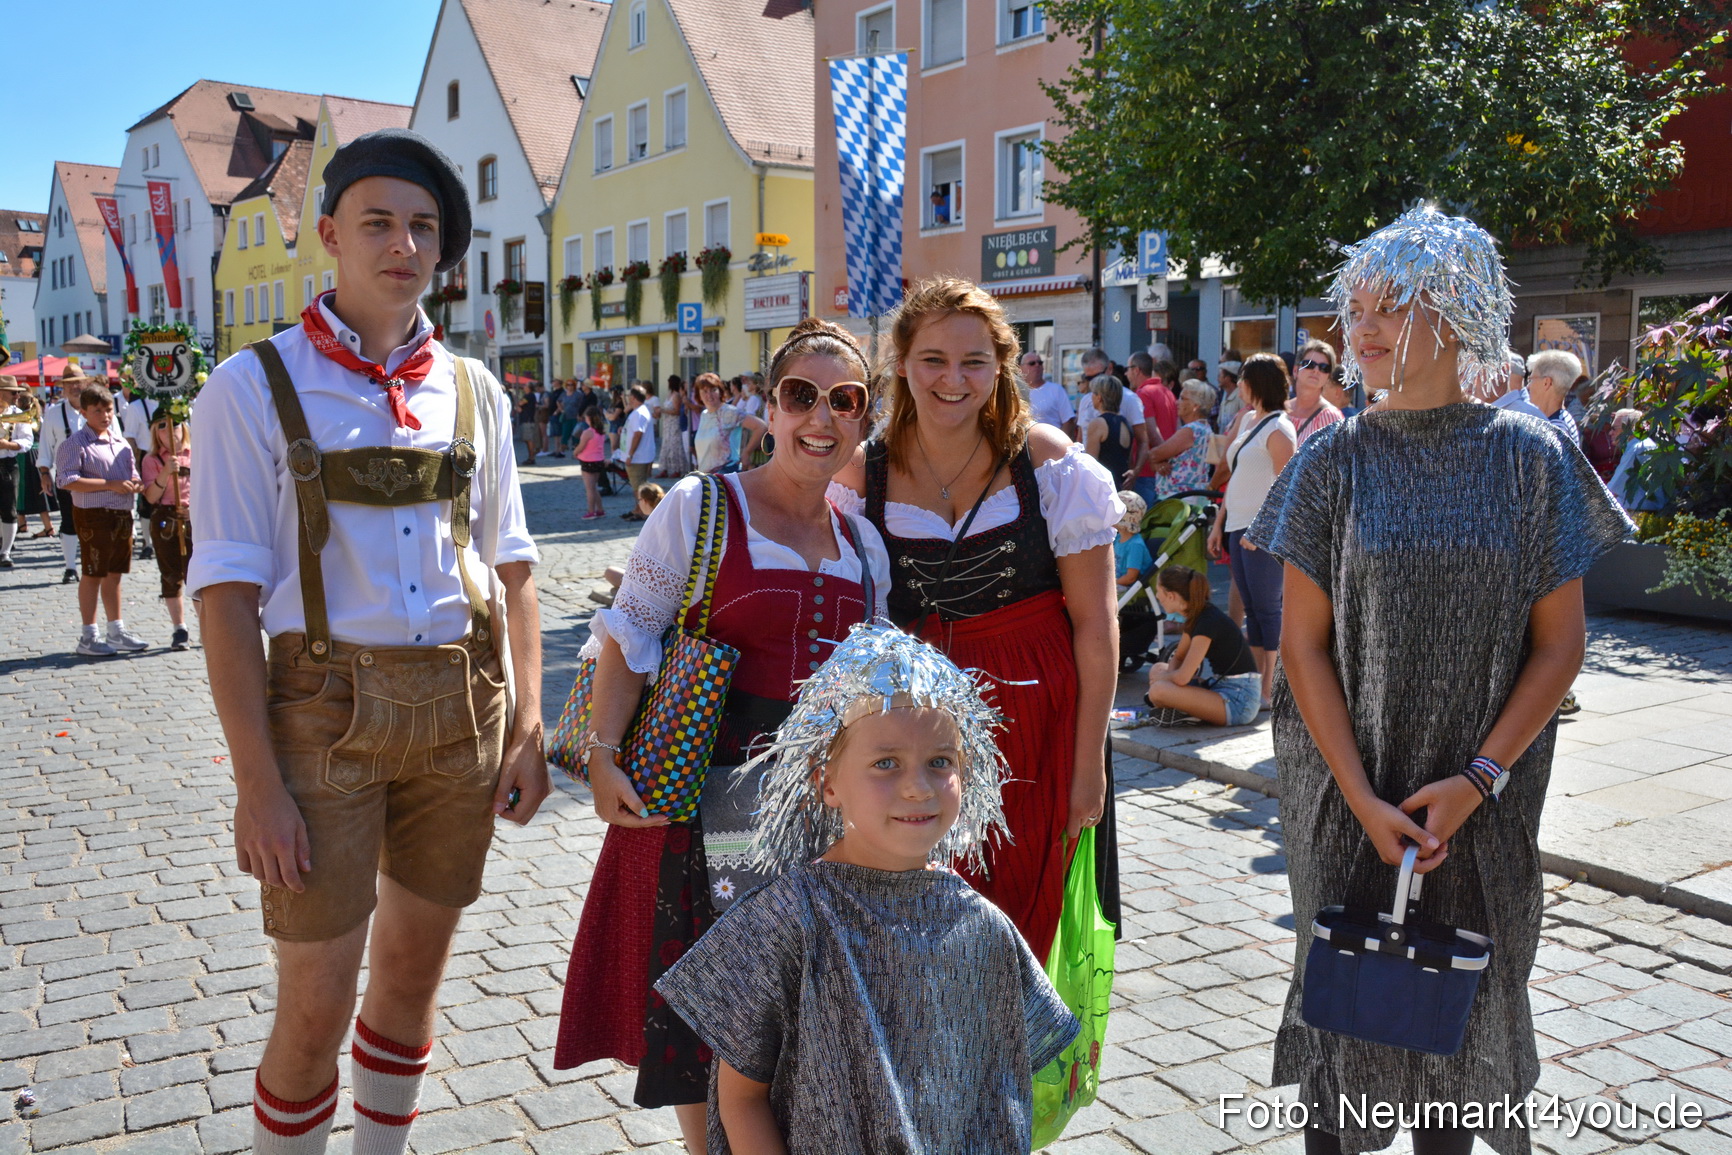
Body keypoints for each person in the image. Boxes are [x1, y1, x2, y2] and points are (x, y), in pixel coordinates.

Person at [187, 129, 548, 1155]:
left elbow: (512, 569)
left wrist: (527, 725)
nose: (404, 244)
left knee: (409, 980)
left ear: (443, 251)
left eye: (424, 227)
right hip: (319, 721)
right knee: (312, 1008)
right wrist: (256, 782)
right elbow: (222, 595)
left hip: (459, 717)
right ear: (331, 236)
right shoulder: (248, 387)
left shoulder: (476, 392)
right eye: (380, 222)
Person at [1249, 206, 1631, 1155]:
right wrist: (1361, 798)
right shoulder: (1335, 458)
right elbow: (1303, 648)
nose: (1361, 330)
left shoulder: (1529, 458)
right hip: (1350, 798)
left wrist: (1477, 780)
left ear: (1457, 311)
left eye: (1390, 306)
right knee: (1346, 1034)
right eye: (1357, 308)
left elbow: (1560, 646)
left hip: (1486, 804)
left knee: (1461, 1045)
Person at [555, 318, 892, 1155]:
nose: (822, 416)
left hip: (820, 816)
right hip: (702, 804)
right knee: (710, 1020)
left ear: (864, 419)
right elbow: (629, 633)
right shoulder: (704, 506)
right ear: (768, 409)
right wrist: (600, 758)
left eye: (843, 400)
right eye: (800, 395)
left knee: (800, 1014)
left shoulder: (865, 545)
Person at [654, 623, 1078, 1155]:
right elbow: (739, 1100)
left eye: (940, 762)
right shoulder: (786, 919)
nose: (917, 787)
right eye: (886, 763)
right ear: (827, 781)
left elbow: (999, 1091)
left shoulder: (983, 928)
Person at [832, 275, 1121, 964]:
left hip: (1042, 723)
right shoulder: (861, 474)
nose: (952, 379)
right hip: (923, 734)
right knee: (927, 928)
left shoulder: (1046, 462)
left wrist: (1088, 766)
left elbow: (1096, 625)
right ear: (902, 364)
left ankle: (1013, 1070)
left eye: (973, 361)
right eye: (933, 359)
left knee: (1027, 929)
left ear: (1001, 366)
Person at [1208, 354, 1295, 711]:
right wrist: (1218, 523)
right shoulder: (1248, 419)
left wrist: (1262, 529)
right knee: (1253, 612)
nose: (1238, 383)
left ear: (1256, 382)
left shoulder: (1280, 429)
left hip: (1260, 532)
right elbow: (1236, 476)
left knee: (1267, 609)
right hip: (1236, 526)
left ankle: (1270, 689)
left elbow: (1289, 489)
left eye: (1243, 377)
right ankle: (1258, 682)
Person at [56, 384, 148, 655]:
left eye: (108, 409)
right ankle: (88, 636)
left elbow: (134, 476)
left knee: (115, 574)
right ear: (84, 412)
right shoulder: (74, 444)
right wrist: (110, 484)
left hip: (121, 515)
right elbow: (67, 480)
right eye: (97, 410)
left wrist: (134, 485)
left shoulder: (120, 444)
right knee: (92, 573)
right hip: (93, 516)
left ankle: (116, 631)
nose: (105, 415)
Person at [1142, 565, 1260, 727]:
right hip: (1221, 686)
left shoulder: (1207, 622)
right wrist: (1167, 678)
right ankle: (1186, 711)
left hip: (1239, 701)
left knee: (1158, 690)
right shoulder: (1196, 615)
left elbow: (1182, 678)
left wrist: (1163, 681)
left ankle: (1187, 712)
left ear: (1171, 596)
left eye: (1159, 591)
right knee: (1157, 668)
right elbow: (1179, 657)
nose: (1157, 596)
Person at [140, 412, 194, 651]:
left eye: (174, 425)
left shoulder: (197, 454)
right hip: (165, 520)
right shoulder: (151, 460)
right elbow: (150, 497)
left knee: (198, 575)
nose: (170, 431)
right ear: (155, 432)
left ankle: (206, 625)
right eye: (162, 427)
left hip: (194, 518)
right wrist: (165, 472)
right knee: (171, 575)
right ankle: (179, 628)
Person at [37, 366, 87, 583]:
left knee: (94, 521)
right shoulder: (54, 413)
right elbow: (45, 446)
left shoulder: (96, 408)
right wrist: (45, 472)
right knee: (69, 520)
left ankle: (92, 562)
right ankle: (70, 567)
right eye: (69, 383)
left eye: (78, 382)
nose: (75, 386)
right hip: (66, 477)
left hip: (97, 476)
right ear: (64, 387)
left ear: (85, 384)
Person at [1075, 347, 1147, 474]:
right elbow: (1080, 439)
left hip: (1106, 476)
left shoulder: (1130, 399)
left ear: (1109, 368)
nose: (1093, 383)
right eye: (1088, 378)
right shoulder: (1086, 400)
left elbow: (1142, 440)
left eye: (1097, 376)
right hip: (1094, 475)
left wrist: (1135, 471)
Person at [1144, 380, 1218, 501]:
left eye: (1183, 399)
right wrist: (1159, 464)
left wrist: (1157, 460)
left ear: (1196, 405)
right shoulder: (1205, 427)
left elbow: (1154, 454)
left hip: (1179, 499)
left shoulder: (1190, 430)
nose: (1177, 402)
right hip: (1194, 496)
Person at [1500, 349, 1582, 446]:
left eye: (1531, 379)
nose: (1528, 386)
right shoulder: (1562, 419)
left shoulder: (1554, 430)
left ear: (1547, 383)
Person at [692, 373, 766, 474]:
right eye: (704, 391)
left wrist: (746, 452)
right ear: (698, 395)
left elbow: (761, 426)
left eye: (713, 390)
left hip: (725, 475)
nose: (709, 395)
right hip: (706, 477)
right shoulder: (704, 414)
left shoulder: (728, 412)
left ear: (720, 391)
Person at [1288, 339, 1345, 448]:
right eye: (1309, 364)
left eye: (1324, 368)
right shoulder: (1280, 410)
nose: (1316, 370)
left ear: (1328, 377)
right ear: (1295, 371)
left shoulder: (1332, 417)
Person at [0, 381, 32, 569]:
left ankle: (5, 552)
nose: (17, 396)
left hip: (7, 463)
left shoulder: (18, 414)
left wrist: (7, 445)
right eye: (13, 392)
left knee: (9, 507)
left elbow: (27, 441)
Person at [620, 386, 659, 515]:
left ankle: (643, 512)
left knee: (639, 487)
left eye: (629, 396)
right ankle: (638, 510)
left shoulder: (639, 413)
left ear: (633, 397)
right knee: (637, 486)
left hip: (638, 456)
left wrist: (630, 454)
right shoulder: (639, 411)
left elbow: (638, 434)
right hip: (639, 455)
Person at [1021, 351, 1075, 439]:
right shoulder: (1017, 392)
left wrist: (1060, 444)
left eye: (1040, 362)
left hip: (1053, 445)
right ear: (1021, 368)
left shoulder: (1056, 390)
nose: (1037, 365)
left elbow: (1068, 421)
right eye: (1032, 363)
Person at [1113, 490, 1153, 589]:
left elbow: (1130, 578)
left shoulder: (1135, 545)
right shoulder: (1117, 538)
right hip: (1117, 582)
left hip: (1127, 588)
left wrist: (1109, 584)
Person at [575, 409, 609, 519]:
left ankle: (591, 511)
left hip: (587, 461)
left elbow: (581, 446)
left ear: (589, 418)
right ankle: (600, 510)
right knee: (594, 487)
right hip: (598, 461)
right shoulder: (600, 431)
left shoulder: (588, 432)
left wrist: (575, 452)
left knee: (589, 488)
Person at [660, 376, 692, 476]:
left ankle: (677, 469)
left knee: (674, 446)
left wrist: (664, 411)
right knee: (666, 446)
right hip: (667, 424)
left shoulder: (676, 396)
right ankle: (665, 469)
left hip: (674, 424)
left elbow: (677, 411)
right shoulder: (670, 394)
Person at [1215, 357, 1245, 430]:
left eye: (1220, 375)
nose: (1217, 379)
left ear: (1228, 378)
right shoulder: (1224, 395)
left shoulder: (1241, 395)